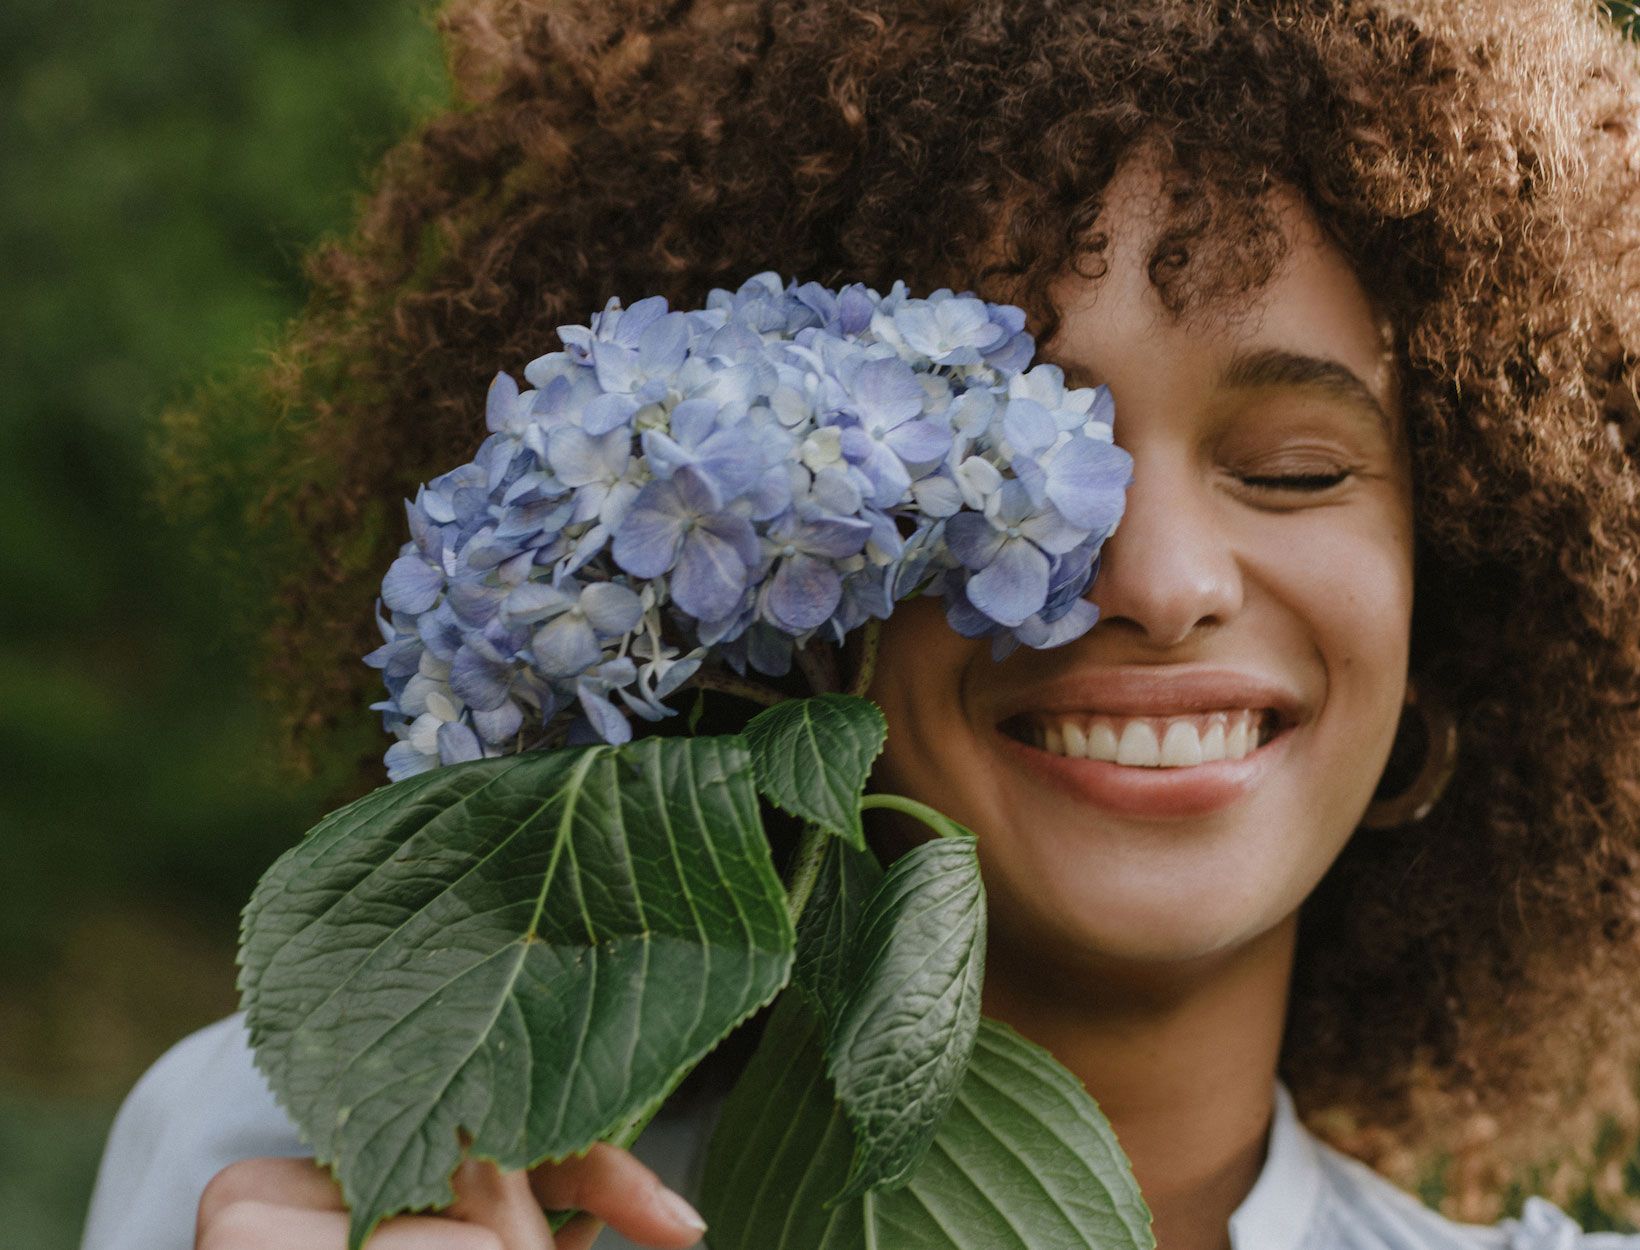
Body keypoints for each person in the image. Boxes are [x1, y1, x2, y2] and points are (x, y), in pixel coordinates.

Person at [82, 0, 1640, 1247]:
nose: (1161, 580)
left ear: (1460, 593)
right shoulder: (330, 1164)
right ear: (777, 582)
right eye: (1014, 455)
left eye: (1296, 471)